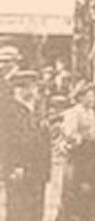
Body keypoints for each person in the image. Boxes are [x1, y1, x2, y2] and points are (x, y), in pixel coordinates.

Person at [2, 70, 52, 221]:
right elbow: (7, 142)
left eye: (34, 87)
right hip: (20, 170)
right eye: (30, 87)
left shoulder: (34, 111)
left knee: (35, 210)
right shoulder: (8, 111)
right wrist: (14, 166)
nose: (34, 91)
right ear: (19, 89)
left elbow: (39, 140)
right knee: (18, 210)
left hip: (37, 170)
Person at [57, 83, 95, 220]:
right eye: (89, 96)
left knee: (90, 189)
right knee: (76, 188)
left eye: (94, 96)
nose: (93, 99)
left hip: (91, 154)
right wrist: (77, 138)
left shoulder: (93, 112)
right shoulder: (74, 112)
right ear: (80, 97)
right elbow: (69, 134)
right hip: (78, 155)